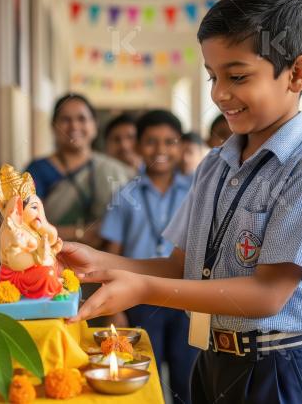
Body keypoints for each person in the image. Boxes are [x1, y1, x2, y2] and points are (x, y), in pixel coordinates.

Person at [59, 0, 302, 403]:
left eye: (236, 76)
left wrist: (142, 290)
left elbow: (268, 294)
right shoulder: (214, 165)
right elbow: (185, 265)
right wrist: (99, 262)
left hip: (282, 367)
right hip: (214, 359)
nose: (219, 93)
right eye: (212, 76)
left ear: (297, 74)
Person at [100, 110, 197, 403]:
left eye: (170, 142)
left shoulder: (196, 191)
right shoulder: (125, 194)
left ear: (181, 147)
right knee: (142, 375)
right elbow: (111, 254)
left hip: (187, 299)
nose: (161, 150)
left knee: (187, 378)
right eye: (151, 142)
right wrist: (112, 308)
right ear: (138, 146)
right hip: (139, 300)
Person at [24, 93, 132, 248]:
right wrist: (80, 233)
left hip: (104, 260)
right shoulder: (38, 170)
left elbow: (128, 223)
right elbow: (26, 226)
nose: (74, 126)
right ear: (54, 126)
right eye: (66, 120)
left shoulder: (114, 170)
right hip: (49, 257)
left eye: (82, 119)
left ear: (94, 125)